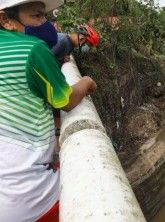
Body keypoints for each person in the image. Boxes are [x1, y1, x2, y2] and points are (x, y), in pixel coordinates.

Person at [0, 1, 97, 221]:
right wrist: (87, 81)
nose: (45, 24)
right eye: (37, 16)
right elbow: (66, 100)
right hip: (27, 195)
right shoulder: (34, 48)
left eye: (45, 16)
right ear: (5, 20)